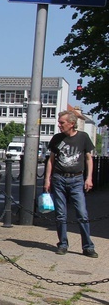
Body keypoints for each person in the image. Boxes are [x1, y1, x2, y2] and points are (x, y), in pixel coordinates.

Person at [45, 110, 97, 258]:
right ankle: (62, 244)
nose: (59, 125)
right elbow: (51, 160)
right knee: (61, 214)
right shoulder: (57, 139)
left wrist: (89, 178)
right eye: (59, 122)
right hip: (59, 179)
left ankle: (87, 246)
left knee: (82, 213)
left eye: (62, 122)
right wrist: (47, 180)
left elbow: (88, 159)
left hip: (76, 180)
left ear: (72, 124)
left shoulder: (83, 137)